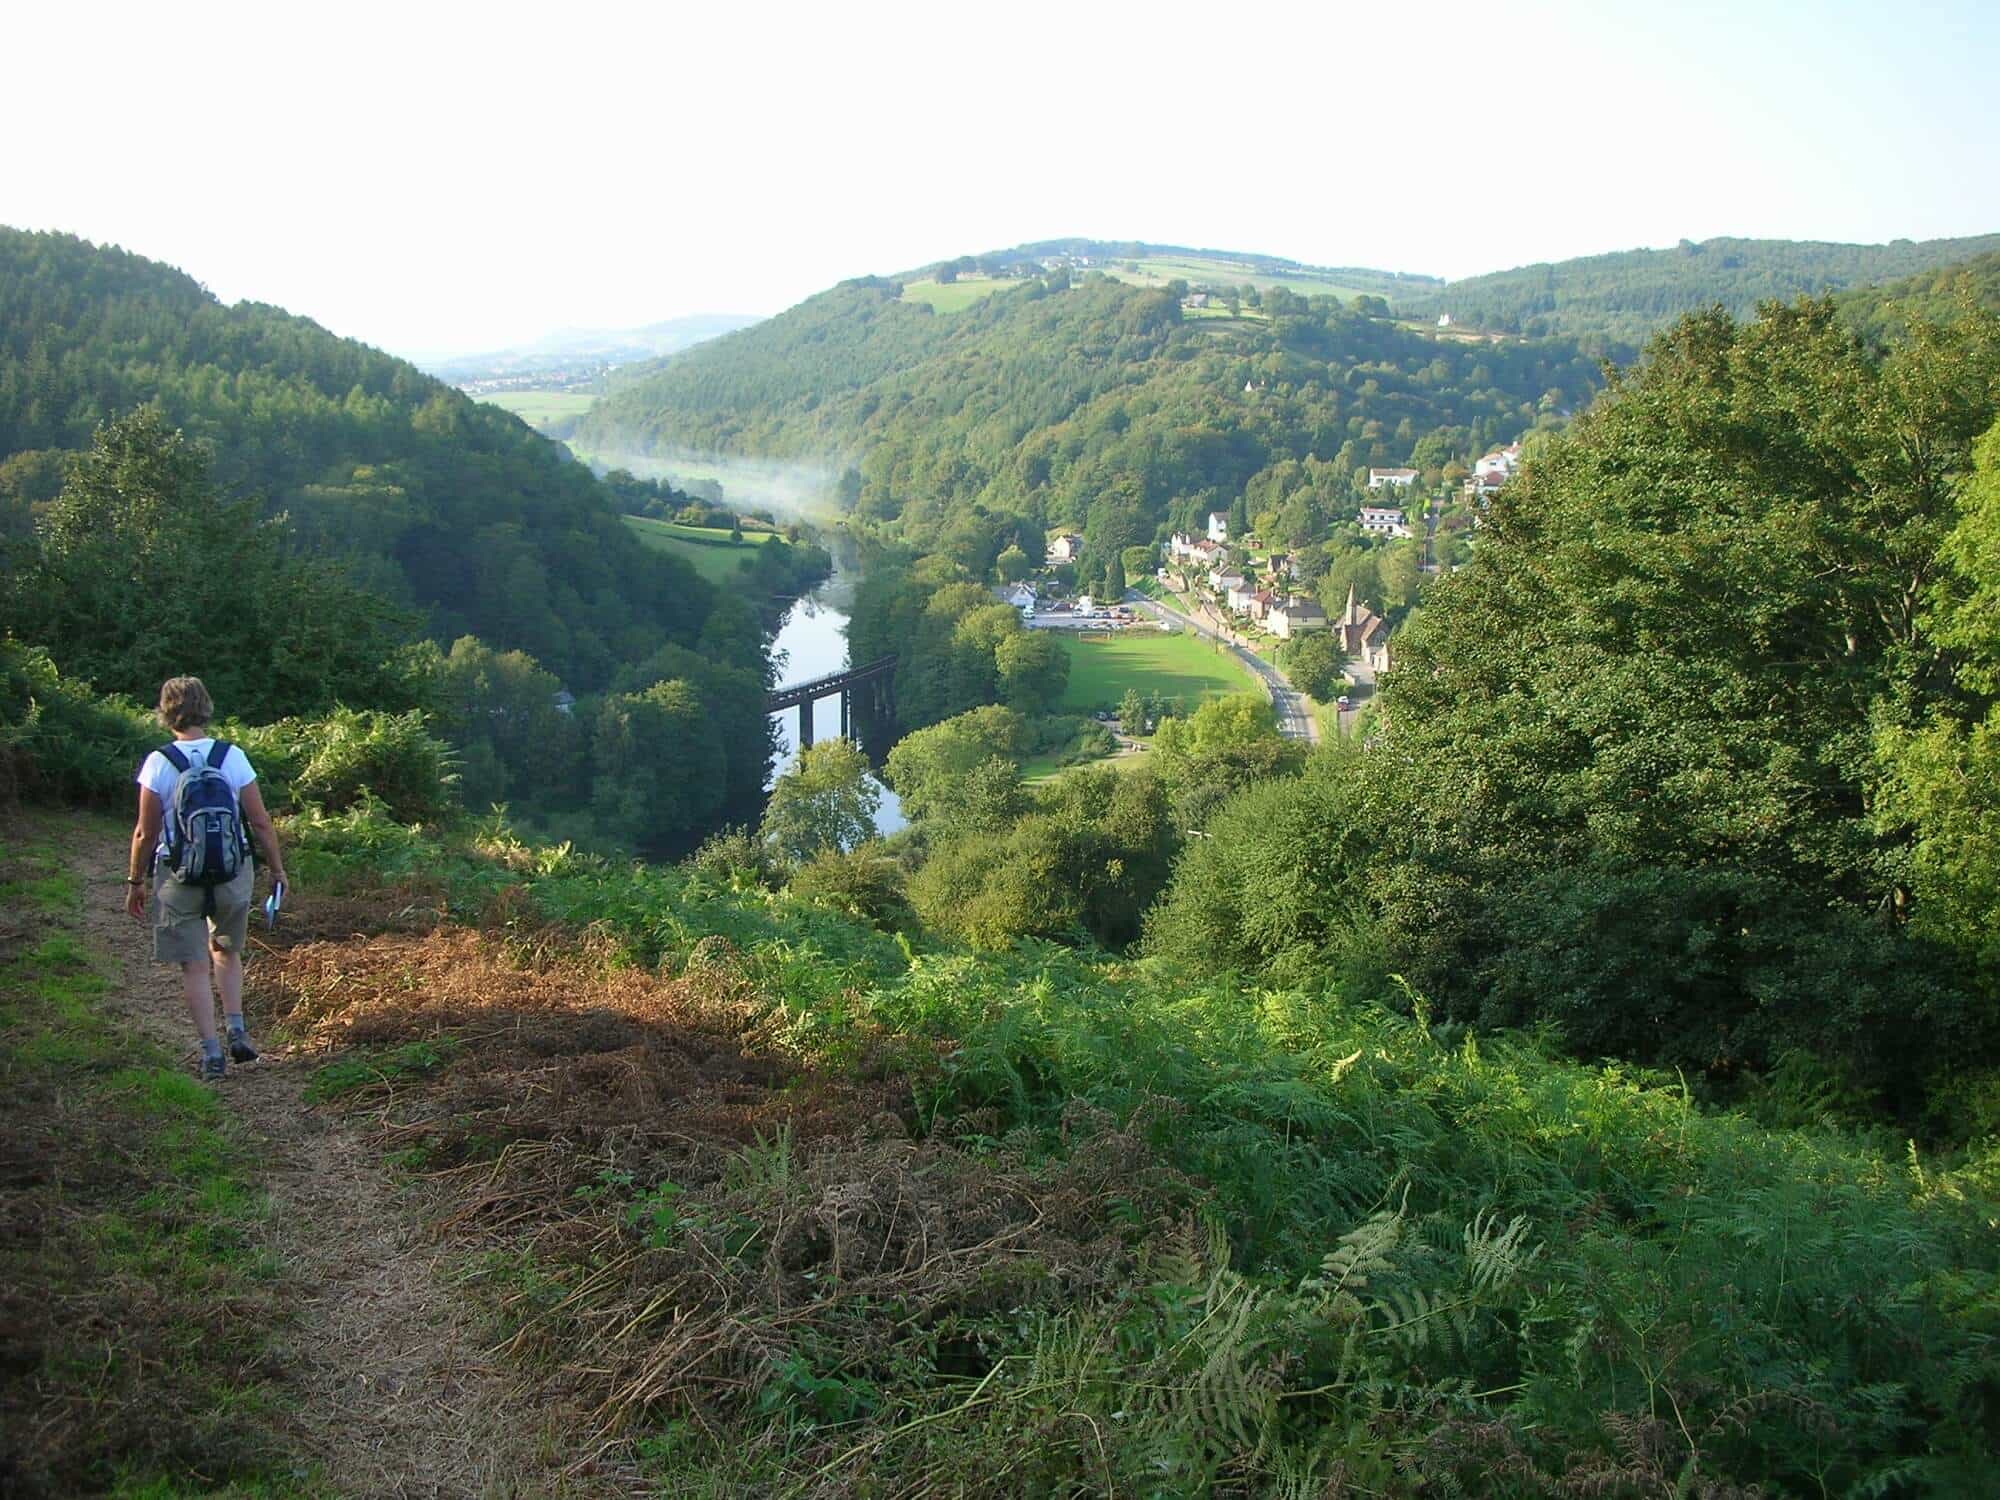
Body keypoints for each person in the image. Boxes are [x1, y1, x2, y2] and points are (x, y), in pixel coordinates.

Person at [124, 676, 288, 1081]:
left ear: (165, 712)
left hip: (177, 875)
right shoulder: (231, 757)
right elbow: (260, 822)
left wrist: (135, 880)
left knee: (193, 965)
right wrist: (277, 869)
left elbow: (145, 832)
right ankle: (237, 1029)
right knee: (226, 952)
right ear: (206, 707)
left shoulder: (159, 762)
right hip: (232, 871)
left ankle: (212, 1054)